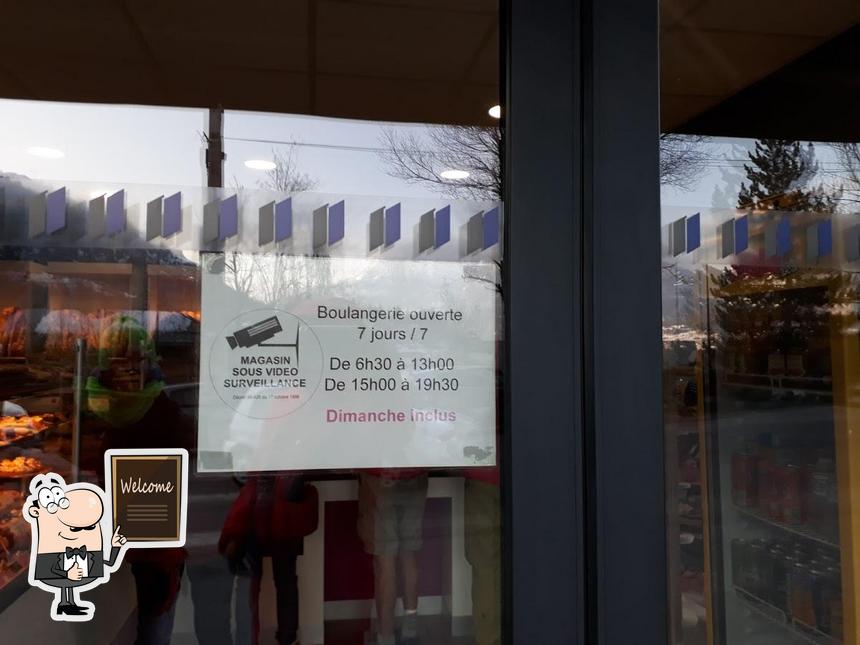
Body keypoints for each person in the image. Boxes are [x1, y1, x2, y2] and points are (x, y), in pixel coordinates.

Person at [24, 473, 128, 620]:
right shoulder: (51, 552)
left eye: (91, 527)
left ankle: (69, 604)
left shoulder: (89, 552)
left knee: (69, 584)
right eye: (75, 529)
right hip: (62, 575)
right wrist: (67, 574)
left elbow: (109, 563)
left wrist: (115, 546)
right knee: (66, 583)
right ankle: (65, 604)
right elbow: (50, 569)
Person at [357, 469, 428, 645]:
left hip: (379, 476)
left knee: (385, 561)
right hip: (414, 474)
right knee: (408, 553)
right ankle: (410, 629)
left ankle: (386, 637)